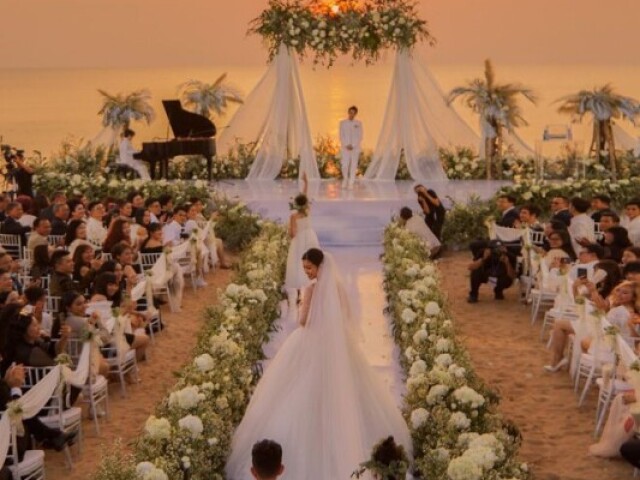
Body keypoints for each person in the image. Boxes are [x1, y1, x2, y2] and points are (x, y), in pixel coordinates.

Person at [225, 248, 411, 480]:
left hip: (311, 341)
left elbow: (303, 320)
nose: (307, 272)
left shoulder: (312, 288)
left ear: (320, 266)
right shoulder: (338, 287)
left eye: (309, 268)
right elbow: (346, 315)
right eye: (305, 269)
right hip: (337, 343)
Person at [284, 173, 319, 323]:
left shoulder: (294, 217)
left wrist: (288, 230)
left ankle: (299, 293)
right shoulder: (308, 211)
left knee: (297, 265)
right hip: (310, 237)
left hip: (299, 241)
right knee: (311, 263)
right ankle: (312, 289)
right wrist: (306, 183)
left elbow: (292, 234)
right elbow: (305, 196)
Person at [339, 106, 363, 189]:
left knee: (353, 165)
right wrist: (346, 144)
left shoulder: (359, 123)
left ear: (355, 114)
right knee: (344, 165)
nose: (351, 114)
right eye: (350, 112)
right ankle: (345, 179)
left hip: (355, 148)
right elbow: (341, 135)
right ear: (348, 112)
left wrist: (353, 145)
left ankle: (351, 183)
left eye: (353, 113)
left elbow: (360, 136)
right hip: (345, 148)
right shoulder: (342, 123)